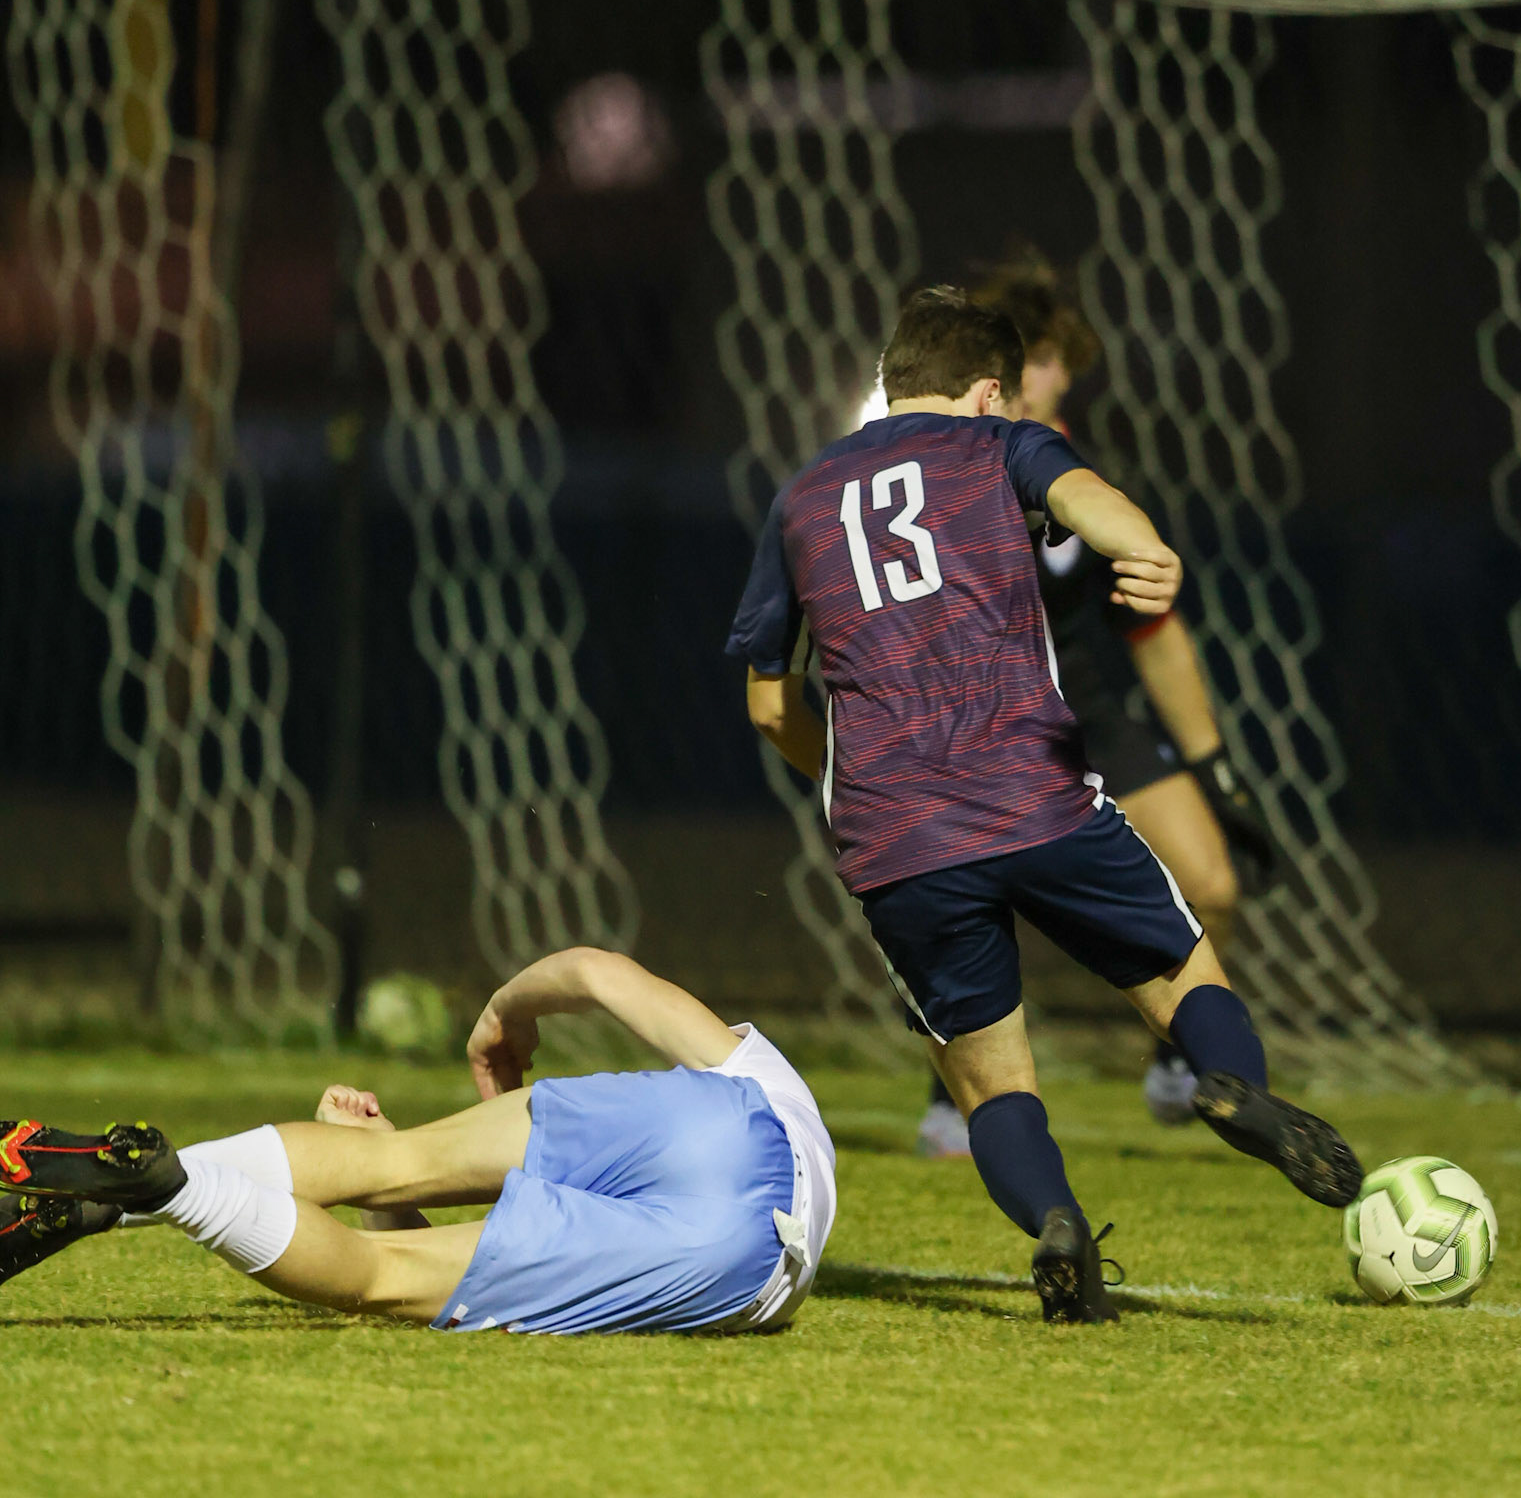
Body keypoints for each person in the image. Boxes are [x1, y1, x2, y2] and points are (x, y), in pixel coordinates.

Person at [727, 285, 1359, 1324]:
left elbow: (764, 703)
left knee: (991, 1083)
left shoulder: (799, 496)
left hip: (896, 836)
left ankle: (1058, 1219)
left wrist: (847, 777)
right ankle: (1228, 1083)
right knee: (1180, 968)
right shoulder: (996, 445)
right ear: (988, 392)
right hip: (1032, 794)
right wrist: (1147, 549)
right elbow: (1085, 500)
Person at [911, 252, 1277, 1156]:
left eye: (1049, 357)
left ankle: (1180, 1063)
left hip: (1089, 719)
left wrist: (1211, 765)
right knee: (975, 909)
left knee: (1212, 883)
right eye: (1019, 357)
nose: (1035, 375)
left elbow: (1156, 629)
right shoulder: (935, 475)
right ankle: (951, 1095)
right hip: (988, 725)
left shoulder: (1075, 474)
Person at [0, 947, 835, 1338]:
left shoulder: (766, 1075)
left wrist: (504, 1015)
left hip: (731, 1116)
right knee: (382, 1278)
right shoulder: (772, 1101)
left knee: (388, 1166)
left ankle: (88, 1198)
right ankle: (163, 1188)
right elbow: (404, 1274)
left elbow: (593, 969)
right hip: (744, 1255)